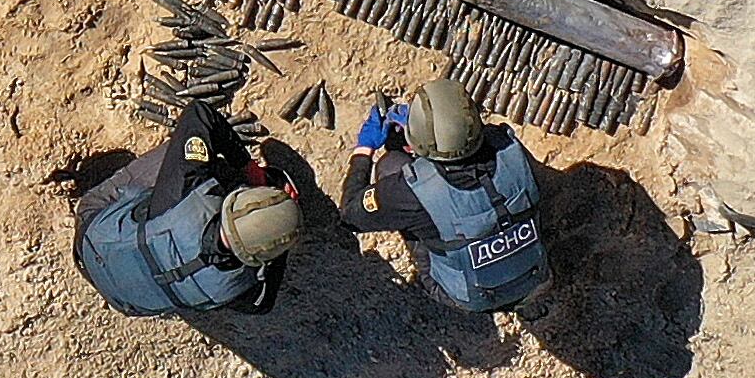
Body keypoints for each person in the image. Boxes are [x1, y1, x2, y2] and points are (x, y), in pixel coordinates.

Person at [73, 98, 306, 319]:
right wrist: (279, 246)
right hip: (128, 303)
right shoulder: (236, 288)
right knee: (215, 168)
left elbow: (199, 113)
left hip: (90, 249)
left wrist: (250, 170)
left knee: (188, 159)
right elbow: (263, 304)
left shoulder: (184, 193)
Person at [360, 74, 552, 314]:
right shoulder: (509, 147)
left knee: (391, 165)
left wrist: (364, 147)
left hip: (469, 298)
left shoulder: (413, 191)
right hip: (536, 276)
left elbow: (350, 215)